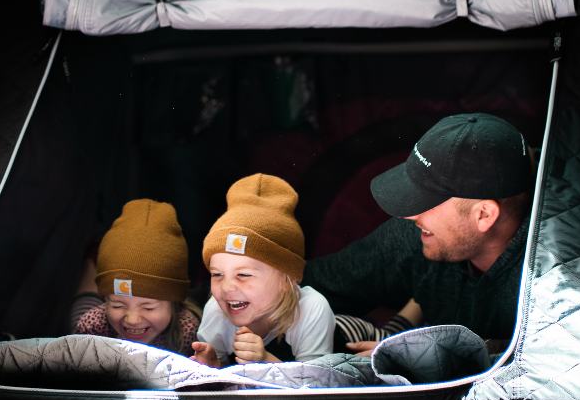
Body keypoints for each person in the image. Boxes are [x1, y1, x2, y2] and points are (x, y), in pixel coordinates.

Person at [304, 113, 533, 355]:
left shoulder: (550, 281)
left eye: (425, 200)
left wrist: (430, 359)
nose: (409, 216)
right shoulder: (418, 235)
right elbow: (321, 281)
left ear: (484, 214)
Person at [191, 174, 335, 366]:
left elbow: (317, 386)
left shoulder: (310, 309)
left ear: (287, 279)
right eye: (217, 274)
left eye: (243, 275)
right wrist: (213, 364)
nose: (226, 287)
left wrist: (265, 360)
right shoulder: (216, 311)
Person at [72, 199, 199, 355]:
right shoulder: (92, 326)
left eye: (148, 307)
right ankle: (91, 266)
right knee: (84, 303)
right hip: (92, 318)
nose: (132, 319)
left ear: (174, 304)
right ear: (106, 300)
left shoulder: (186, 332)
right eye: (117, 305)